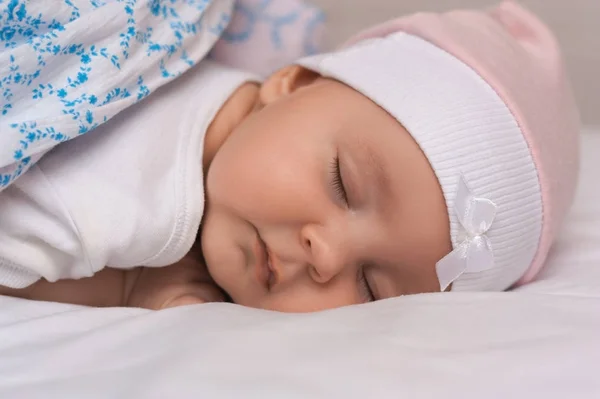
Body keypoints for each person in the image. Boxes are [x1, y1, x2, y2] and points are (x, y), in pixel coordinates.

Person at [0, 1, 580, 312]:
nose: (325, 256)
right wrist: (130, 287)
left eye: (371, 289)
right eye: (342, 184)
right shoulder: (136, 202)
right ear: (293, 82)